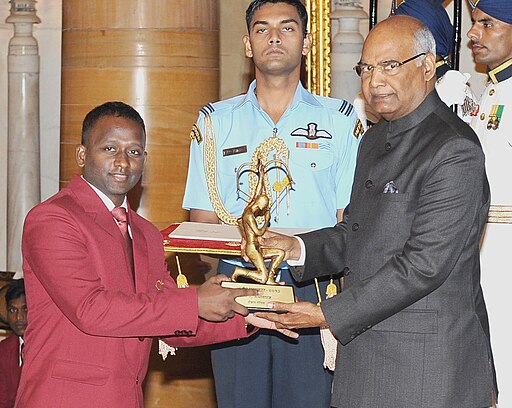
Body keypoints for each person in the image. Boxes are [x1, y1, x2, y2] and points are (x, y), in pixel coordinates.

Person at [256, 15, 497, 407]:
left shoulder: (454, 148)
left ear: (426, 66)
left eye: (389, 66)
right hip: (366, 360)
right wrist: (295, 247)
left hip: (426, 371)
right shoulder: (374, 139)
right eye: (366, 68)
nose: (374, 80)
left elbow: (423, 265)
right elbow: (357, 231)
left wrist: (326, 314)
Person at [16, 101, 295, 408]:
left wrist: (247, 313)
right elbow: (91, 309)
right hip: (64, 399)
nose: (123, 161)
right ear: (82, 155)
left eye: (134, 151)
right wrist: (196, 301)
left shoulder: (147, 233)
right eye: (109, 148)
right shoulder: (53, 219)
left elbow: (169, 319)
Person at [182, 0, 361, 406]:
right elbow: (202, 220)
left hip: (312, 289)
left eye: (288, 28)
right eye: (262, 29)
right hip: (237, 287)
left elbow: (347, 221)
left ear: (306, 42)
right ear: (247, 44)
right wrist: (222, 288)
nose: (275, 37)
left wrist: (342, 307)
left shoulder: (341, 121)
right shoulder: (215, 122)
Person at [467, 1, 512, 405]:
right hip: (481, 248)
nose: (473, 34)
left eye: (486, 23)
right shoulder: (488, 93)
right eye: (473, 23)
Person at [0, 279, 27, 408]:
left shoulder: (51, 346)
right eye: (12, 310)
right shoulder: (3, 350)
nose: (18, 318)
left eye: (25, 309)